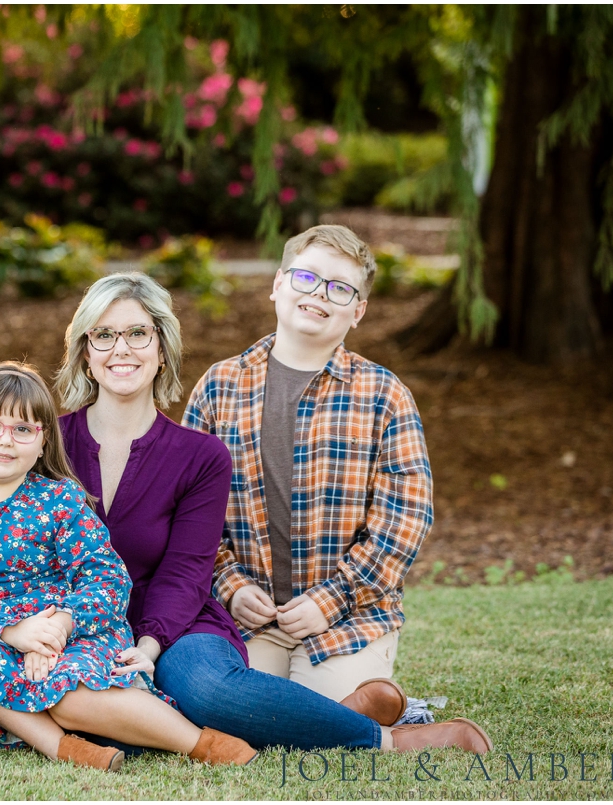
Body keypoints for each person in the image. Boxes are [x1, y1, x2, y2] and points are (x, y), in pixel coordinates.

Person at [54, 272, 491, 754]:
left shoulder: (200, 456)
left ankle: (392, 740)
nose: (122, 349)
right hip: (79, 624)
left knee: (206, 691)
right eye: (104, 335)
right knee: (96, 716)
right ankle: (338, 717)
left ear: (162, 349)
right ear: (85, 353)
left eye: (138, 333)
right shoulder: (46, 447)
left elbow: (185, 571)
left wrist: (150, 647)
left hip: (174, 622)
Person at [0, 362, 259, 771]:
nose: (5, 441)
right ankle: (65, 749)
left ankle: (203, 745)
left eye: (23, 430)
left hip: (73, 628)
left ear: (42, 443)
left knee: (69, 697)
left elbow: (105, 575)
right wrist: (16, 632)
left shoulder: (59, 499)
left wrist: (57, 631)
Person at [184, 224, 432, 702]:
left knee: (325, 705)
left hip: (349, 616)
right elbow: (189, 509)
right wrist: (229, 584)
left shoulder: (383, 395)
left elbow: (405, 518)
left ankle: (364, 700)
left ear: (358, 310)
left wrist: (333, 598)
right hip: (253, 616)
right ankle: (354, 708)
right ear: (278, 283)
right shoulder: (219, 387)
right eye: (306, 278)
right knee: (229, 701)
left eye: (340, 288)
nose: (319, 294)